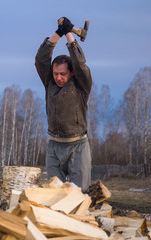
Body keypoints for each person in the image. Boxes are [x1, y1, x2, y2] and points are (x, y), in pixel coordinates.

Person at [35, 17, 92, 191]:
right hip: (54, 146)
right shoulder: (49, 82)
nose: (58, 77)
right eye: (55, 73)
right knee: (53, 195)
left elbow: (80, 64)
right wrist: (58, 33)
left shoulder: (81, 84)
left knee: (79, 195)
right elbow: (40, 60)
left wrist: (69, 34)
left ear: (71, 72)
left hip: (78, 146)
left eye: (62, 74)